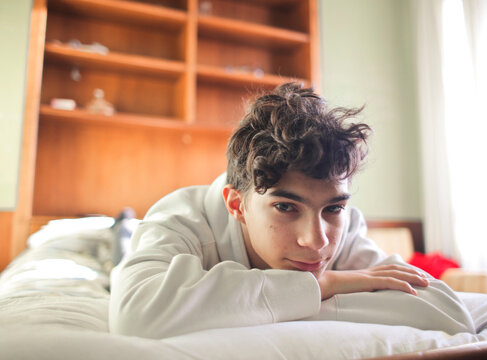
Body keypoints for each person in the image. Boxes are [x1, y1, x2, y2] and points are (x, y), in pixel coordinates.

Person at [109, 83, 432, 339]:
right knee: (117, 258)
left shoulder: (344, 225)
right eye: (285, 207)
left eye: (333, 208)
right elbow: (136, 314)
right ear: (237, 205)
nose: (316, 242)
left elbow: (444, 309)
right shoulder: (180, 218)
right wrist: (324, 285)